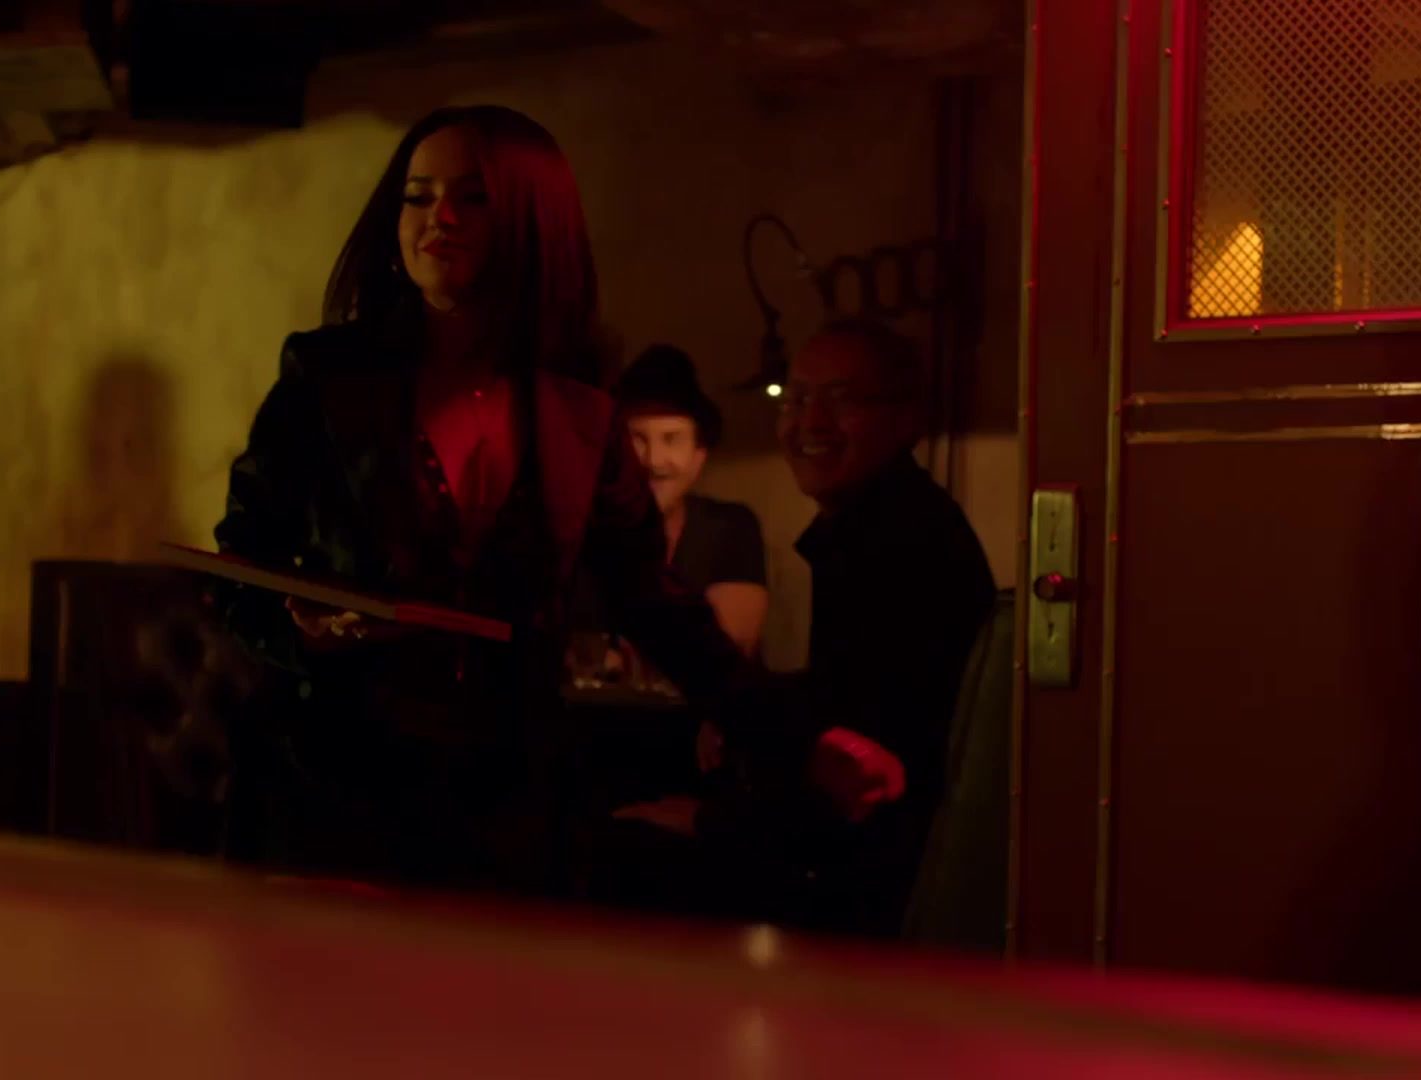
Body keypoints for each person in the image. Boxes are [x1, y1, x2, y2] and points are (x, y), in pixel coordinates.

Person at [210, 105, 901, 896]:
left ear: (534, 225)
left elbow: (656, 602)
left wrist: (798, 741)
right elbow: (239, 561)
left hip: (501, 810)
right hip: (328, 790)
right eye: (417, 195)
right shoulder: (330, 376)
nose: (438, 218)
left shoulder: (577, 408)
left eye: (472, 198)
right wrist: (299, 631)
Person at [618, 319, 996, 938]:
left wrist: (715, 821)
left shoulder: (902, 547)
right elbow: (850, 694)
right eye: (795, 401)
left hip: (870, 889)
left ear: (909, 420)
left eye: (843, 400)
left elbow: (872, 763)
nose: (810, 423)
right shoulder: (877, 525)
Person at [615, 345, 768, 658]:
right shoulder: (582, 532)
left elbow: (725, 651)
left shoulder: (728, 527)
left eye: (671, 439)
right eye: (637, 439)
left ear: (699, 453)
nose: (653, 460)